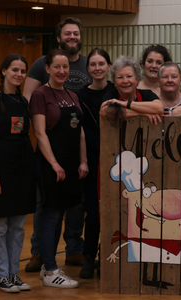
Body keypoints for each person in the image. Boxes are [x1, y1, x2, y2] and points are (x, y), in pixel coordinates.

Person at [24, 17, 91, 272]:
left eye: (76, 33)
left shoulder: (81, 75)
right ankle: (41, 255)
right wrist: (51, 159)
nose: (72, 37)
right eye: (68, 33)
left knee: (74, 205)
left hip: (73, 155)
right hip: (50, 153)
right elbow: (30, 101)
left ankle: (73, 249)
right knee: (47, 209)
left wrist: (83, 159)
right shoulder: (41, 73)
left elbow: (81, 127)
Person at [0, 54, 36, 293]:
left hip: (22, 170)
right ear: (3, 71)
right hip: (2, 170)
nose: (19, 74)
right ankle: (1, 275)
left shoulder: (23, 101)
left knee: (18, 227)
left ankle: (14, 274)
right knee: (0, 227)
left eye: (23, 71)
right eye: (14, 70)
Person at [75, 48, 113, 279]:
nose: (97, 68)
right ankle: (89, 257)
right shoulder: (80, 95)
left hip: (119, 160)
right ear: (88, 68)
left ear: (109, 66)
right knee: (94, 211)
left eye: (101, 63)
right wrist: (102, 145)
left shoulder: (117, 91)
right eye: (93, 64)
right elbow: (82, 129)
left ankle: (108, 254)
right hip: (94, 158)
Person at [100, 55, 164, 123]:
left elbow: (159, 108)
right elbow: (105, 111)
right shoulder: (111, 94)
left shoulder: (146, 94)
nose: (125, 81)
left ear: (137, 78)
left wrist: (124, 103)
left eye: (129, 76)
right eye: (120, 77)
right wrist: (141, 114)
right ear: (115, 82)